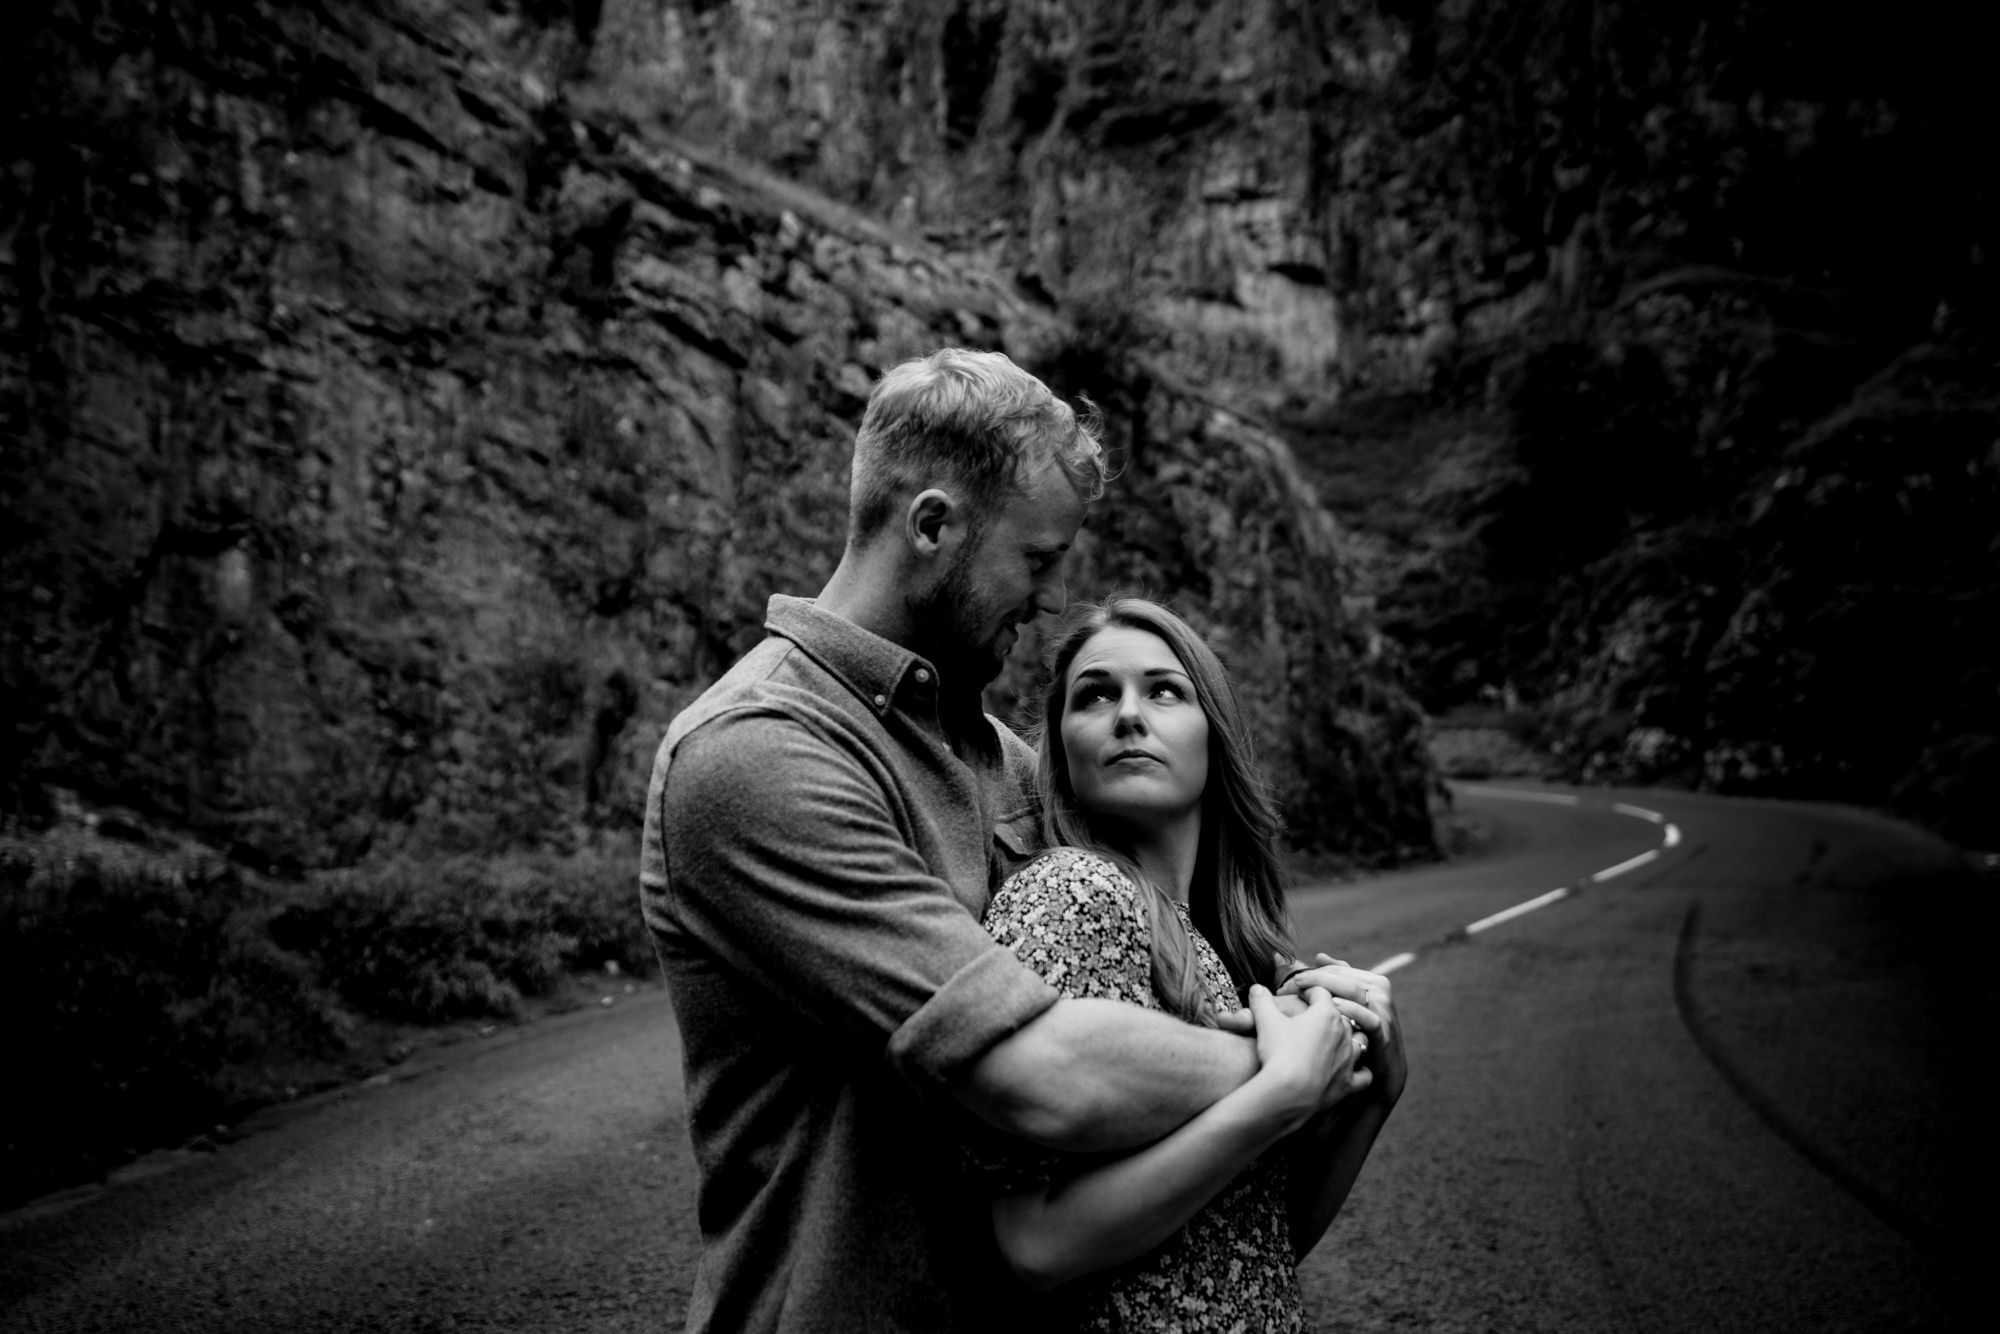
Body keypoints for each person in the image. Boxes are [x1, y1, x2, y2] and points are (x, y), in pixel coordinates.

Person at [640, 349, 1370, 1333]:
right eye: (1034, 560)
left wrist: (1321, 1020)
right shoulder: (756, 752)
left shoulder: (1005, 759)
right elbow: (1044, 1075)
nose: (1046, 598)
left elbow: (1156, 964)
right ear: (933, 526)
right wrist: (1289, 1065)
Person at [968, 596, 1408, 1331]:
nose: (1128, 715)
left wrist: (1375, 1094)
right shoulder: (1073, 892)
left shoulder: (1236, 954)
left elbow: (1251, 1247)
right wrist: (1281, 1097)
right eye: (1095, 695)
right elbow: (1033, 1245)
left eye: (1163, 690)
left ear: (1215, 734)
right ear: (1063, 749)